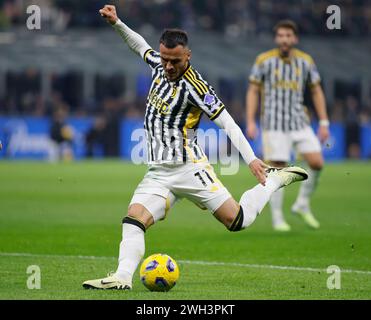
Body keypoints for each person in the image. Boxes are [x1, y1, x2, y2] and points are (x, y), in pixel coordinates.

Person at [83, 6, 308, 290]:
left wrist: (251, 159)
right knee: (133, 219)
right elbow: (139, 45)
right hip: (158, 173)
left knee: (236, 220)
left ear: (187, 56)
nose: (168, 66)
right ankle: (122, 278)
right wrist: (117, 23)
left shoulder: (197, 88)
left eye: (174, 61)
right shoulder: (157, 65)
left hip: (190, 169)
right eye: (164, 58)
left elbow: (228, 123)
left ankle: (272, 182)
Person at [246, 20, 329, 232]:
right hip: (274, 124)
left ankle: (301, 204)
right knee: (278, 168)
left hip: (299, 122)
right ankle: (277, 218)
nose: (284, 39)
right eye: (281, 35)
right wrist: (250, 121)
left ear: (295, 38)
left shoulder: (305, 62)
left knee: (317, 162)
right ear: (276, 38)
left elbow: (316, 90)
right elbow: (253, 90)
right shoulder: (264, 61)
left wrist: (324, 121)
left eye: (288, 35)